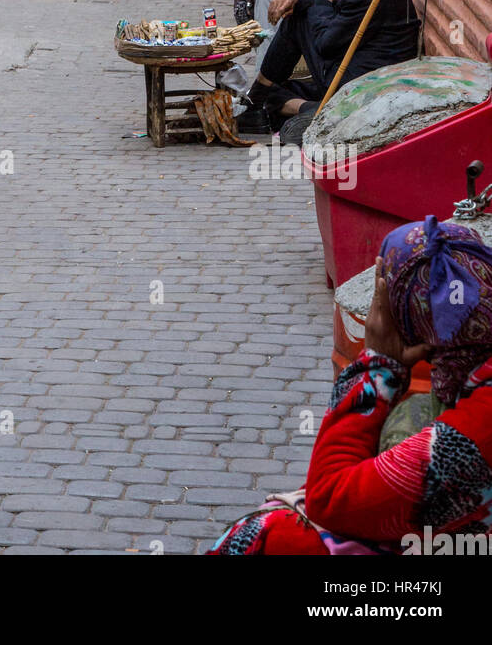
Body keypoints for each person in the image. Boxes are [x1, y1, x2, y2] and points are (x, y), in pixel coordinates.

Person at [210, 216, 492, 555]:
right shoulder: (476, 385)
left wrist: (376, 366)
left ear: (415, 330)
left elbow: (327, 498)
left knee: (271, 535)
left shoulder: (476, 427)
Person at [244, 0, 418, 125]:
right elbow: (334, 19)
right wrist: (305, 0)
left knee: (297, 18)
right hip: (367, 77)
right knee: (279, 92)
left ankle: (263, 101)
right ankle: (270, 100)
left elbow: (326, 45)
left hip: (361, 87)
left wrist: (318, 3)